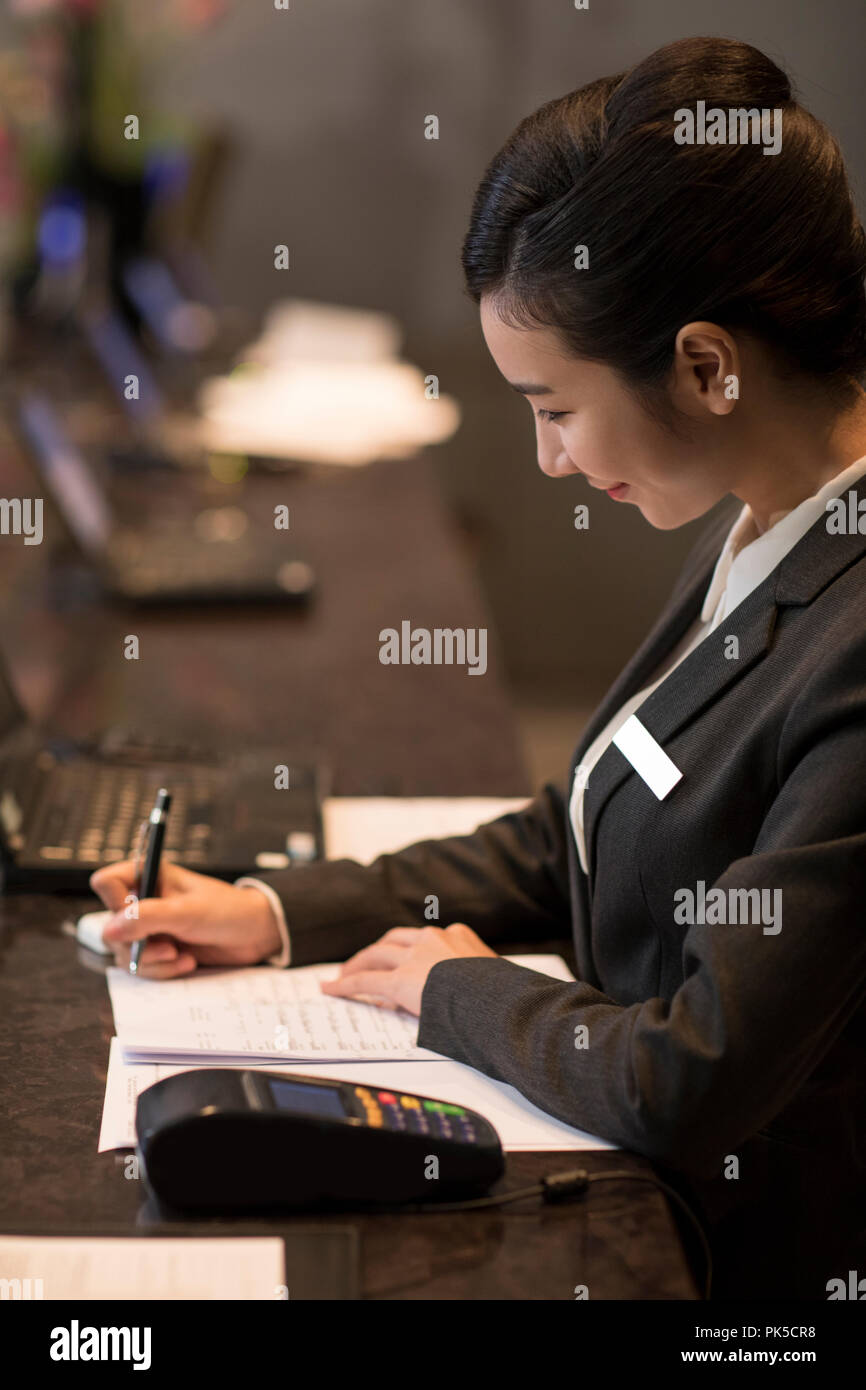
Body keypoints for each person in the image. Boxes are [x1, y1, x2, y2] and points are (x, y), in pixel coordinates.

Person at [92, 36, 866, 1300]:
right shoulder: (765, 517)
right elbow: (581, 820)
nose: (550, 460)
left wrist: (460, 991)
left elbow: (690, 1076)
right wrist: (282, 909)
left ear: (707, 364)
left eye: (553, 408)